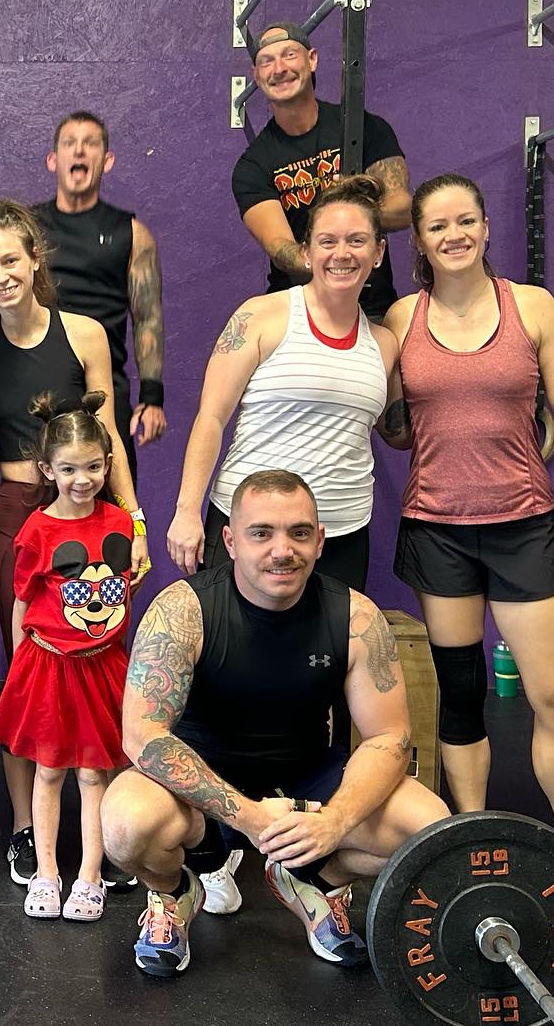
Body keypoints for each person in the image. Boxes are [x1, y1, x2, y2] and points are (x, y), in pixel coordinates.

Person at [378, 173, 554, 915]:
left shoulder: (532, 307)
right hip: (437, 528)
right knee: (462, 696)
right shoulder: (403, 317)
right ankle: (469, 839)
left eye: (465, 220)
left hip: (522, 523)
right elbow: (393, 426)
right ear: (420, 240)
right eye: (438, 226)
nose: (454, 235)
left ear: (486, 226)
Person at [103, 470, 449, 975]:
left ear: (320, 540)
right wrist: (249, 817)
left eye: (299, 533)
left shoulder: (356, 618)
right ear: (230, 541)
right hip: (200, 790)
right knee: (124, 824)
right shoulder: (182, 611)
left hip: (306, 780)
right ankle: (174, 893)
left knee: (428, 827)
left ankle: (316, 882)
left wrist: (335, 821)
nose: (282, 550)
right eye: (261, 533)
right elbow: (144, 736)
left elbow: (388, 736)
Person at [167, 175, 396, 911]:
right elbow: (210, 417)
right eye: (327, 240)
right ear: (306, 249)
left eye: (356, 240)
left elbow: (397, 427)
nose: (341, 252)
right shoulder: (261, 316)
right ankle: (214, 845)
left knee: (326, 692)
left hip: (340, 533)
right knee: (219, 681)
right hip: (252, 529)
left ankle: (312, 848)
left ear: (379, 252)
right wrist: (185, 512)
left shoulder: (385, 342)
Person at [0, 198, 147, 887]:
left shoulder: (85, 333)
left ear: (35, 257)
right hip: (19, 513)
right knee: (26, 675)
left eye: (10, 259)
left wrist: (133, 519)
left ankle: (106, 831)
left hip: (93, 517)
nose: (0, 276)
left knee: (97, 668)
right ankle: (24, 831)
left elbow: (110, 435)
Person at [0, 392, 133, 922]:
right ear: (47, 469)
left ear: (107, 464)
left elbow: (121, 588)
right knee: (48, 771)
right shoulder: (37, 529)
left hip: (101, 665)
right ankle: (47, 873)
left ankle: (90, 877)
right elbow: (22, 601)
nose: (82, 479)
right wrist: (18, 667)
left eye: (93, 466)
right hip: (48, 666)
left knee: (95, 774)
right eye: (69, 469)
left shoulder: (119, 522)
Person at [232, 23, 411, 321]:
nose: (279, 68)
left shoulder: (365, 127)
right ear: (257, 75)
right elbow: (280, 247)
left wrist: (353, 214)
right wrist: (333, 259)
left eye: (289, 55)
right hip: (299, 312)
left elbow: (403, 210)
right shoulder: (252, 166)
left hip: (372, 307)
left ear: (312, 59)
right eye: (267, 61)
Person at [33, 111, 167, 484]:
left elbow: (148, 317)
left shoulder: (132, 233)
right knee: (35, 500)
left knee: (116, 498)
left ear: (106, 161)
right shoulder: (25, 229)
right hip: (37, 386)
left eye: (90, 144)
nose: (79, 151)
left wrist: (152, 397)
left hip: (104, 390)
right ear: (53, 160)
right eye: (69, 143)